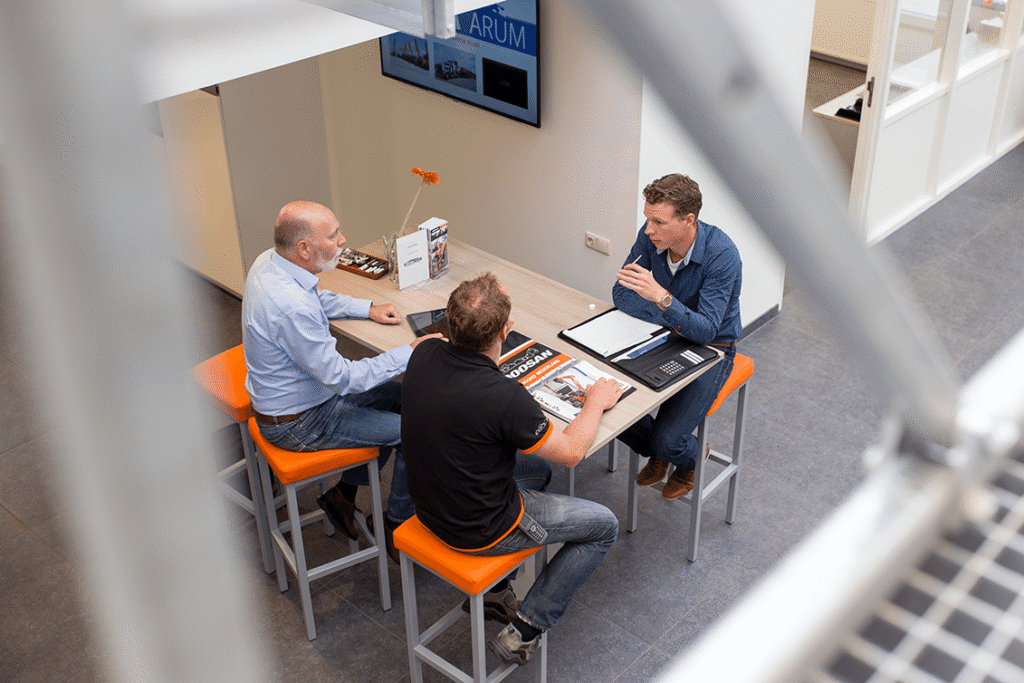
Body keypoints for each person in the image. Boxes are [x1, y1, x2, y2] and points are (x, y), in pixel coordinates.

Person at [401, 273, 623, 665]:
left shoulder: (424, 353)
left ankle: (497, 592)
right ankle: (526, 629)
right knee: (604, 526)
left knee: (537, 470)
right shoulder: (505, 397)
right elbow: (572, 452)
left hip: (429, 506)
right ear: (506, 330)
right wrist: (596, 401)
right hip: (480, 530)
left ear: (449, 322)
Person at [242, 200, 440, 557]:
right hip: (298, 422)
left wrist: (367, 309)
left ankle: (342, 496)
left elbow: (315, 300)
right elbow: (344, 378)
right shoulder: (289, 306)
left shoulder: (271, 261)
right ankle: (397, 527)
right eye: (333, 236)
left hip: (304, 395)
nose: (343, 240)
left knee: (408, 398)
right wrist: (409, 352)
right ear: (305, 249)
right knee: (417, 432)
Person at [613, 174, 742, 499]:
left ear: (688, 220)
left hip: (713, 348)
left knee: (669, 440)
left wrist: (662, 299)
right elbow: (622, 293)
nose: (648, 230)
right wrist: (669, 315)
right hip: (663, 334)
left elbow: (706, 330)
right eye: (647, 219)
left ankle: (688, 459)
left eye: (658, 222)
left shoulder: (721, 254)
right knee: (610, 405)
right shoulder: (651, 240)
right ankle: (660, 450)